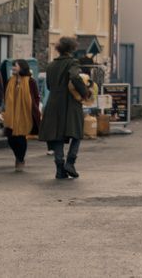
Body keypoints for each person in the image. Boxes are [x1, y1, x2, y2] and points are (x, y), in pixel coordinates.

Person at [39, 36, 91, 180]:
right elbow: (74, 77)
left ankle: (59, 168)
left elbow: (49, 85)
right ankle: (70, 162)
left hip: (54, 102)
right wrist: (85, 92)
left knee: (57, 135)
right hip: (70, 102)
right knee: (77, 132)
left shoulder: (50, 65)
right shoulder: (72, 62)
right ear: (72, 48)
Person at [1, 59, 42, 171]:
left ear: (22, 68)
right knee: (11, 138)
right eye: (13, 66)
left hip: (25, 113)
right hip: (12, 114)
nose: (13, 68)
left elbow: (36, 98)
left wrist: (34, 110)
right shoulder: (10, 81)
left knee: (21, 137)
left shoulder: (30, 81)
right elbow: (6, 96)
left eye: (16, 66)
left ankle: (20, 159)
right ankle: (18, 157)